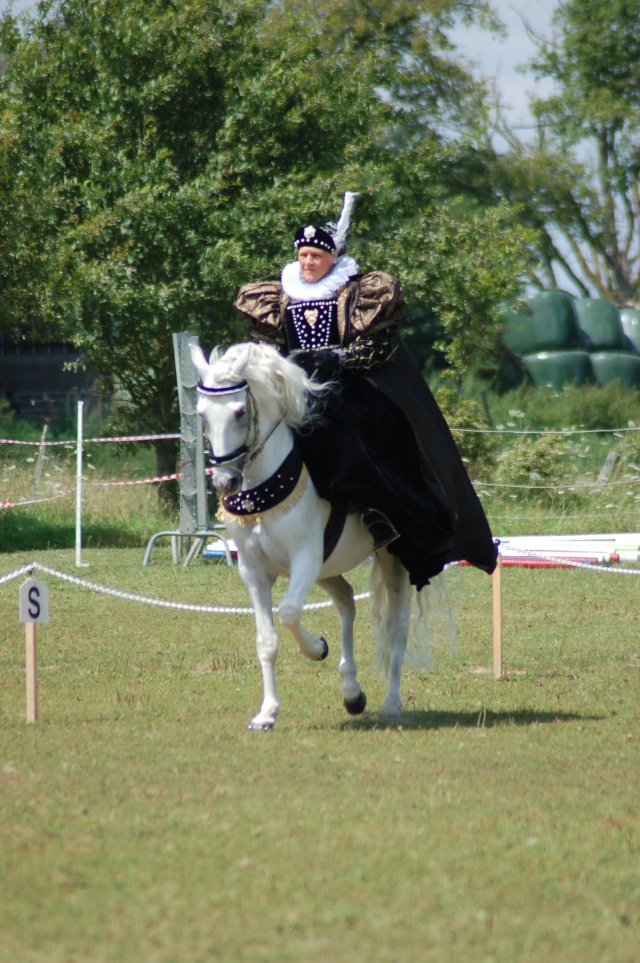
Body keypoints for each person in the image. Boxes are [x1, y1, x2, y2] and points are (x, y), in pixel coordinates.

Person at [234, 193, 497, 589]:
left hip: (347, 391)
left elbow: (379, 348)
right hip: (293, 393)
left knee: (357, 437)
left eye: (316, 257)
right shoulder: (277, 296)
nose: (308, 263)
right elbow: (267, 349)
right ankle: (245, 506)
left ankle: (378, 516)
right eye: (303, 255)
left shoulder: (357, 293)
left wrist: (337, 359)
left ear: (333, 258)